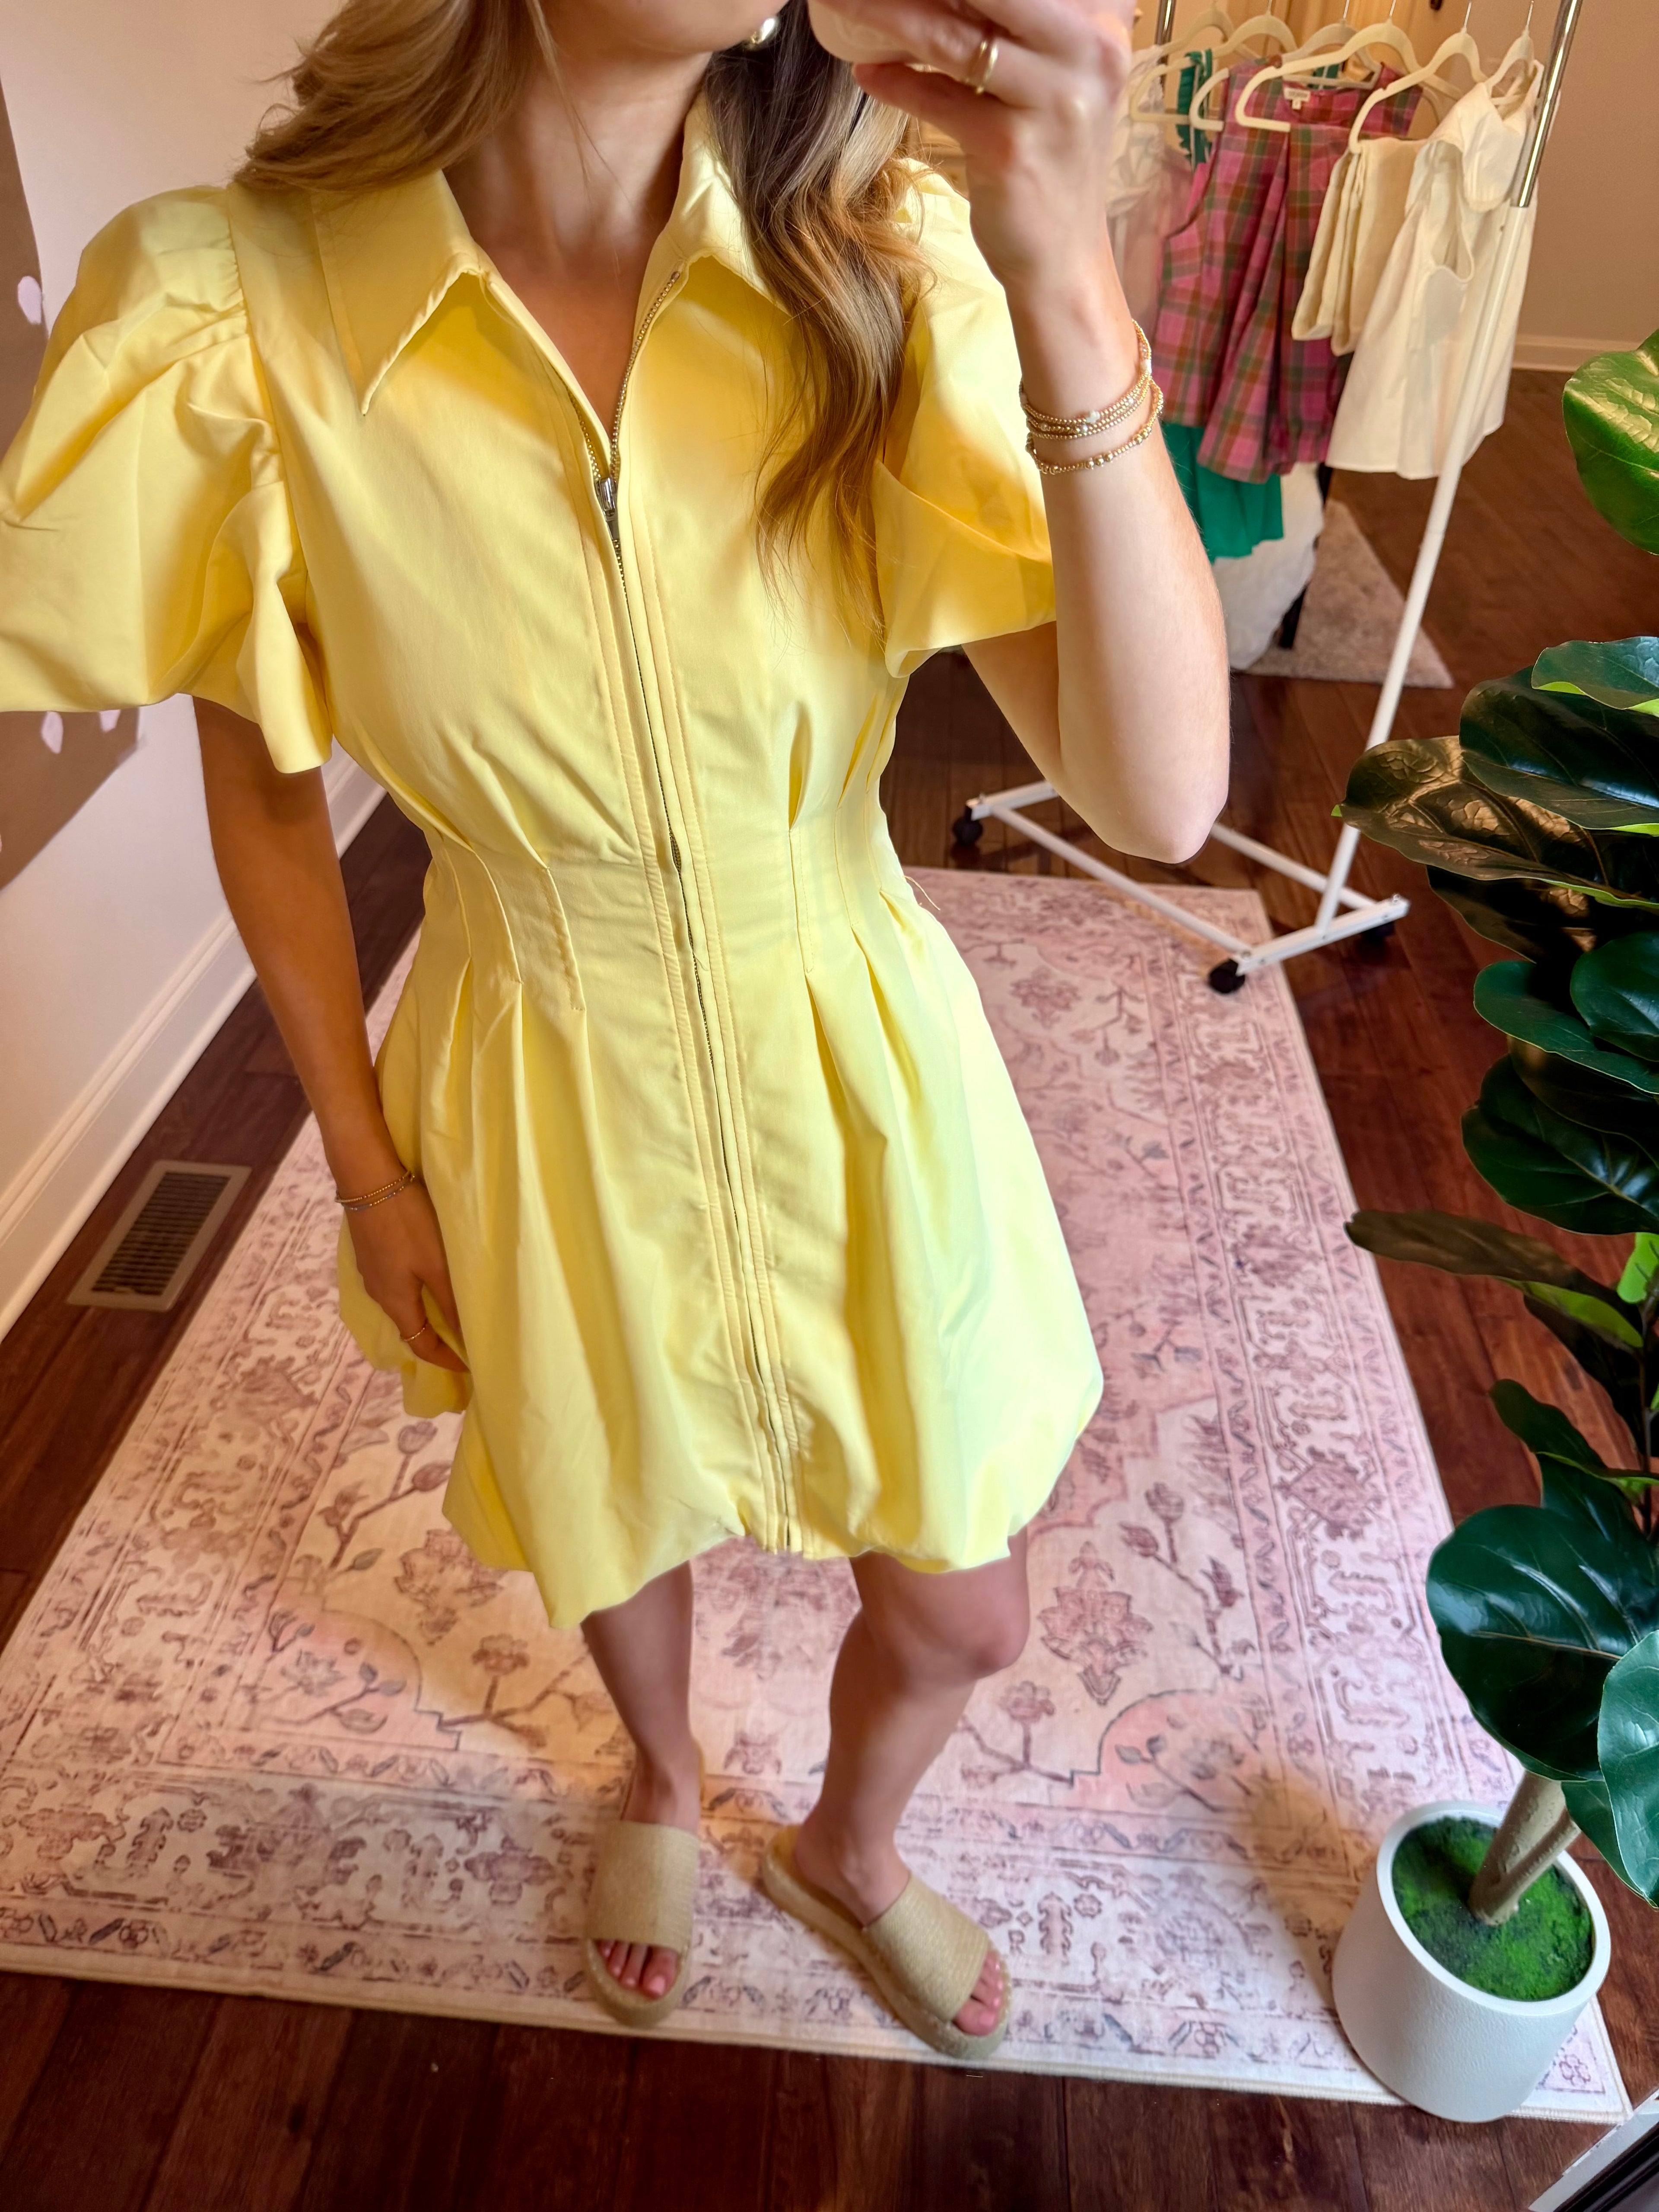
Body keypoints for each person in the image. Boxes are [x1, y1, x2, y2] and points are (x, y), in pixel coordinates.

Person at [0, 0, 1227, 2057]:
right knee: (610, 1501)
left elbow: (1162, 797)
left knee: (967, 1602)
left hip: (856, 1053)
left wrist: (1062, 264)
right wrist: (367, 1169)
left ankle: (851, 1843)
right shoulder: (240, 314)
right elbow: (266, 790)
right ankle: (659, 1770)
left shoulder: (883, 264)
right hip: (532, 1060)